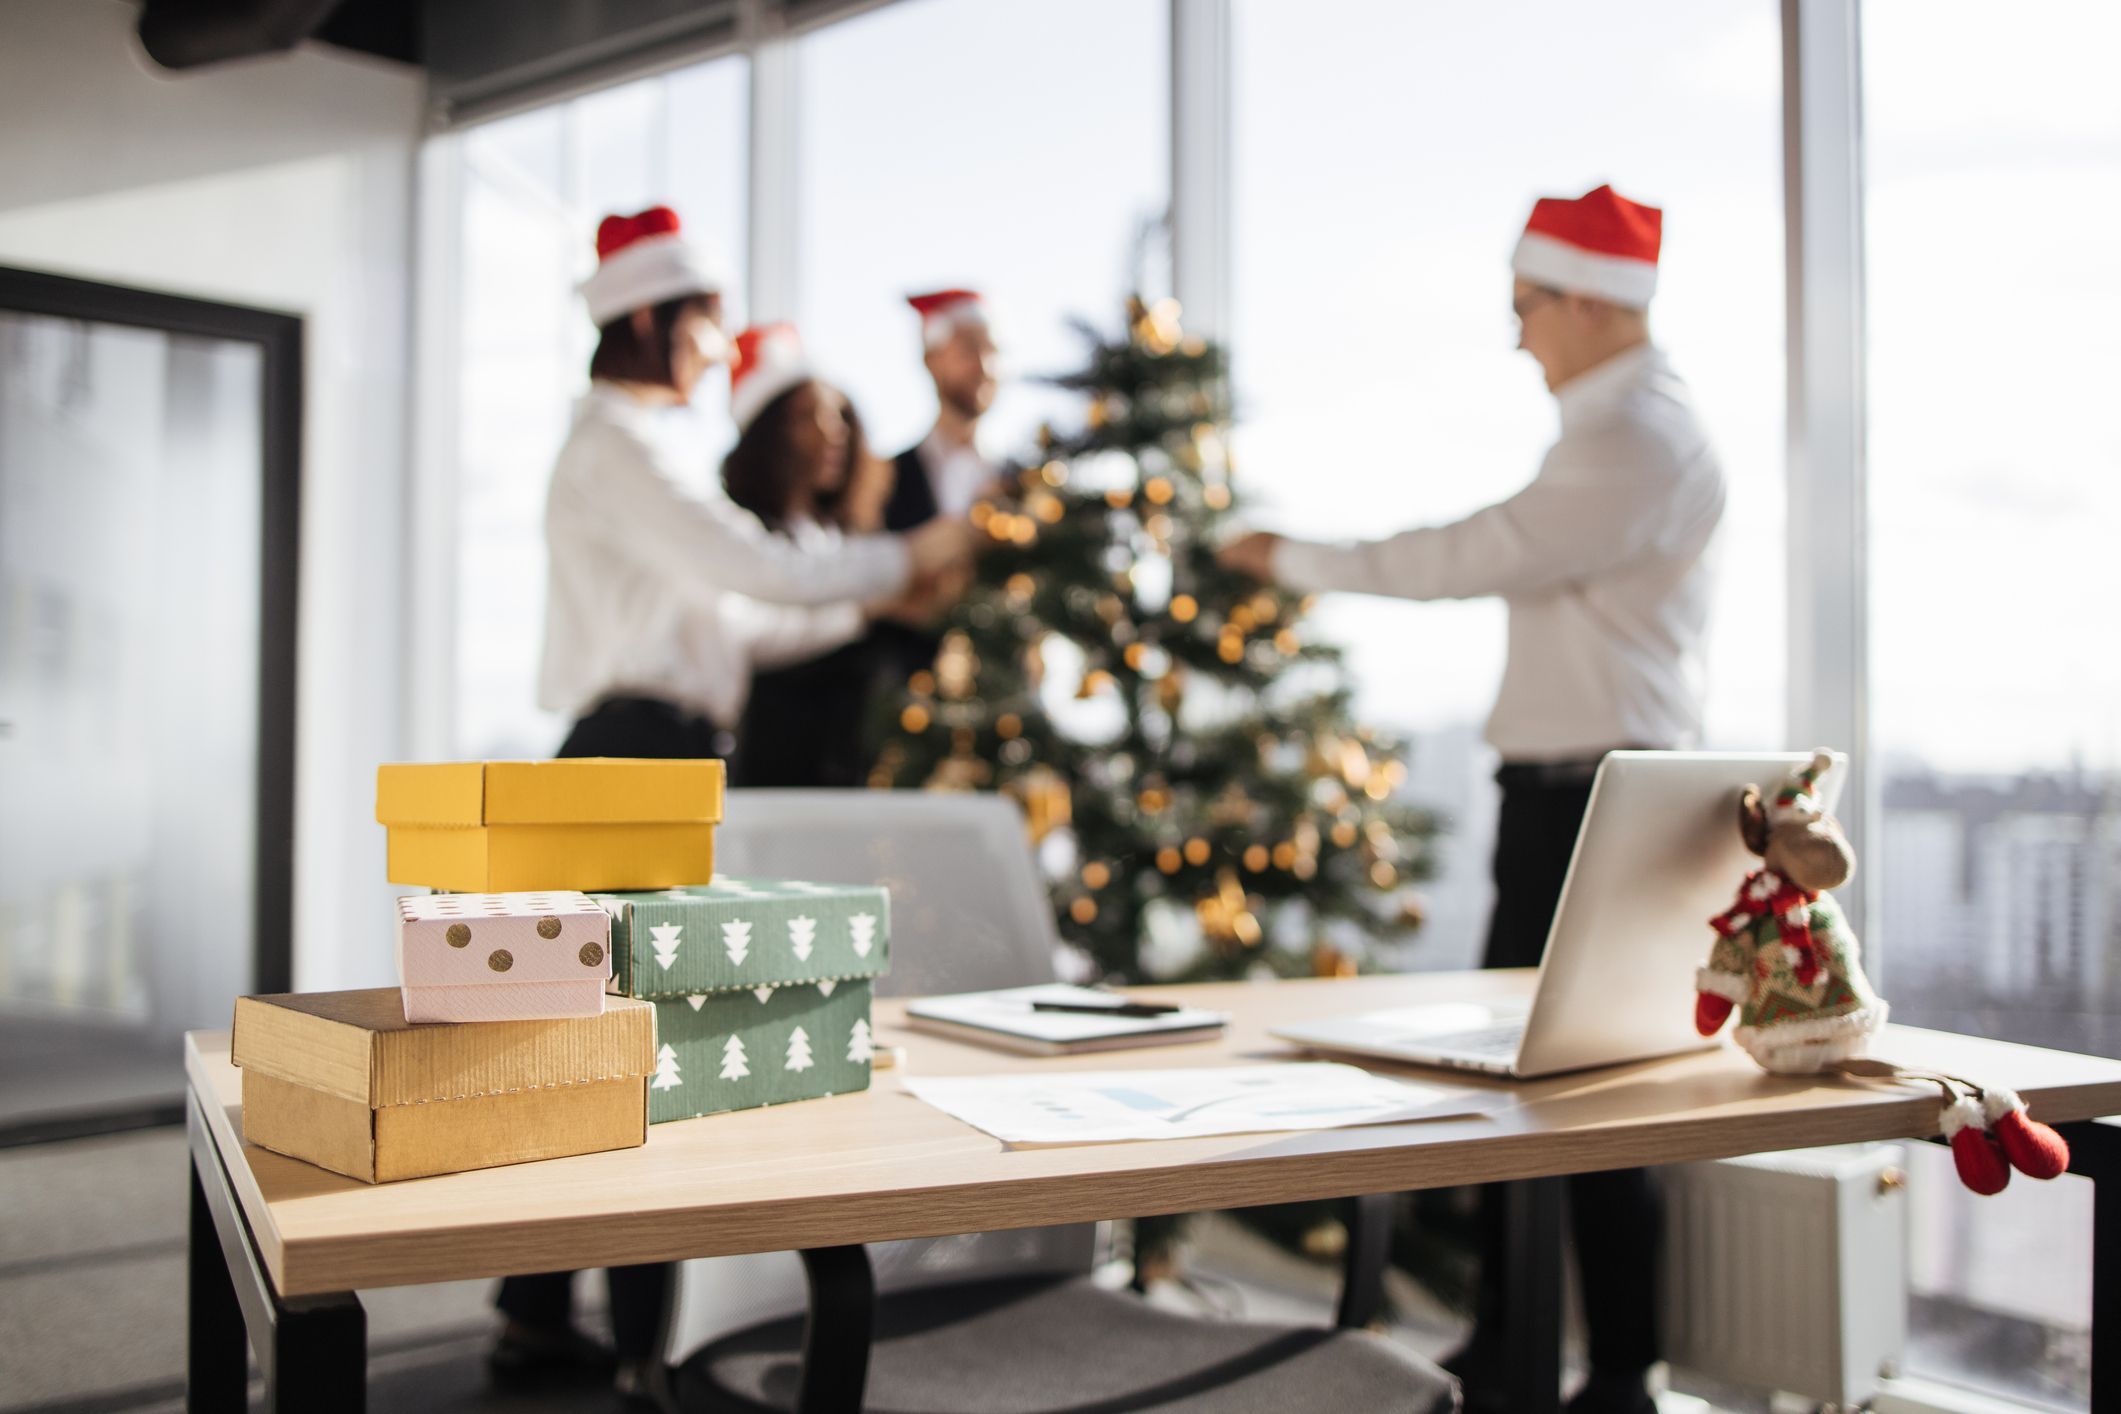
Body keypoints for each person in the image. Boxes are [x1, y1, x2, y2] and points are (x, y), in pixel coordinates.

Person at [1218, 184, 1726, 1414]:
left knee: (1590, 1098)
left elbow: (1470, 555)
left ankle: (1607, 1377)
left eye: (1526, 305)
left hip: (1598, 801)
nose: (1516, 336)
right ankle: (1522, 1351)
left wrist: (1290, 560)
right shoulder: (1612, 429)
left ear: (1596, 299)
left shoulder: (1636, 439)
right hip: (1568, 792)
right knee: (1544, 1086)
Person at [500, 209, 968, 1404]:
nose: (720, 347)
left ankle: (557, 1317)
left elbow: (751, 624)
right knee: (648, 1056)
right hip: (628, 761)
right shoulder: (621, 445)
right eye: (707, 323)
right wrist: (914, 554)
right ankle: (638, 1355)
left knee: (611, 1046)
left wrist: (873, 602)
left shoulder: (626, 445)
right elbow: (758, 570)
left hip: (649, 756)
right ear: (651, 318)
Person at [722, 325, 933, 786]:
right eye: (806, 417)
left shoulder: (843, 541)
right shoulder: (740, 536)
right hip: (774, 765)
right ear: (767, 434)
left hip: (849, 766)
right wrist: (865, 610)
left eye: (837, 415)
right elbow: (753, 632)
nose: (831, 432)